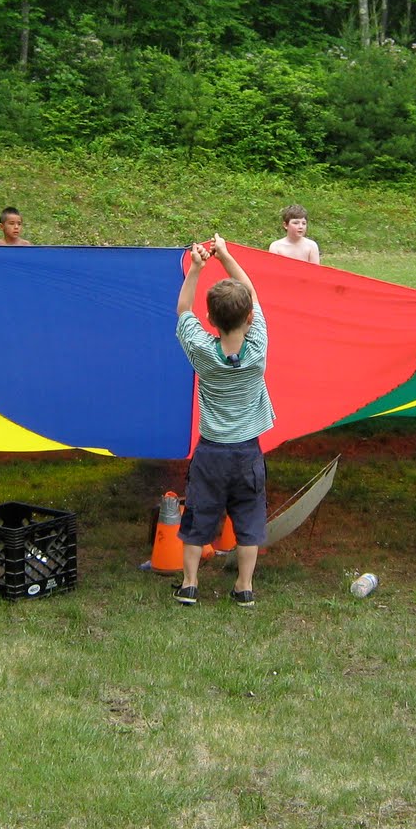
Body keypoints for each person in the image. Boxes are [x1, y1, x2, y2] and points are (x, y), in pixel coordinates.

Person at [173, 234, 273, 607]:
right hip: (247, 454)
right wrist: (227, 256)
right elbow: (252, 293)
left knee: (199, 516)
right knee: (249, 521)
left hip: (211, 454)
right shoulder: (258, 348)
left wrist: (197, 269)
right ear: (249, 318)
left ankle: (189, 584)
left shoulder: (201, 350)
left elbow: (184, 310)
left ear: (211, 319)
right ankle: (243, 588)